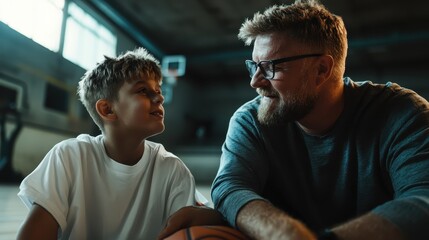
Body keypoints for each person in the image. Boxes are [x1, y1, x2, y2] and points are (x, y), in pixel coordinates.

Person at [159, 0, 429, 239]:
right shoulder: (249, 120)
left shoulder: (403, 112)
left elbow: (422, 198)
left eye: (271, 67)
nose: (255, 81)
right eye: (254, 65)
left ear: (321, 69)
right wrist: (277, 230)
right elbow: (231, 186)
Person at [16, 47, 205, 239]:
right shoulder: (70, 156)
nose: (160, 97)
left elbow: (199, 220)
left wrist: (212, 215)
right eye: (143, 90)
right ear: (107, 109)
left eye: (158, 90)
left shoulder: (172, 169)